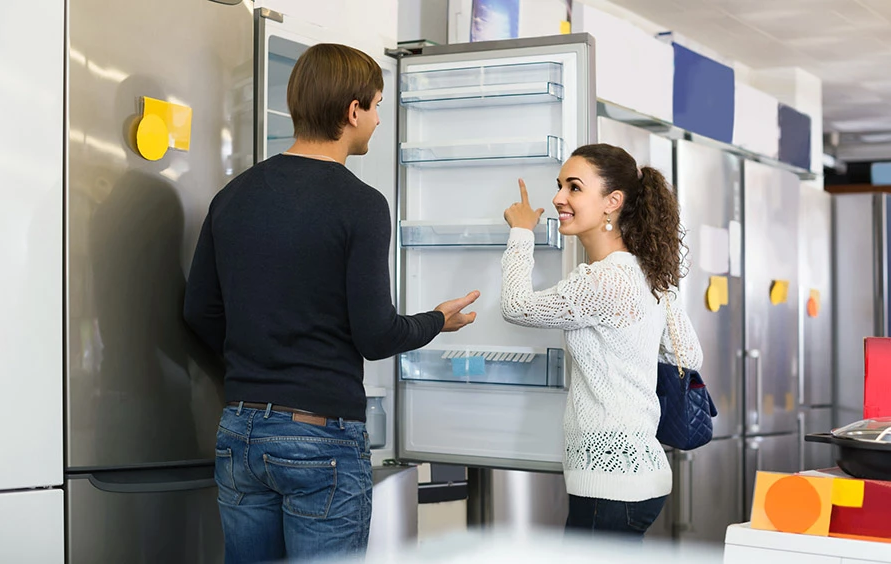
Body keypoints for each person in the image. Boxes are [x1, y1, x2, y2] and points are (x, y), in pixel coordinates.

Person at [184, 43, 480, 563]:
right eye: (377, 106)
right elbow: (376, 334)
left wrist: (255, 365)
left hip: (240, 431)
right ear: (352, 111)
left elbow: (199, 312)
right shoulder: (361, 204)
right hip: (318, 439)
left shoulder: (234, 195)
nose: (378, 119)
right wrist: (437, 320)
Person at [499, 143, 703, 538]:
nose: (559, 198)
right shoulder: (644, 273)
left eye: (574, 187)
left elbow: (516, 306)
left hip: (610, 483)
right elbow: (689, 354)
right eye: (560, 186)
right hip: (642, 476)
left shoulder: (604, 279)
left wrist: (522, 234)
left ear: (613, 201)